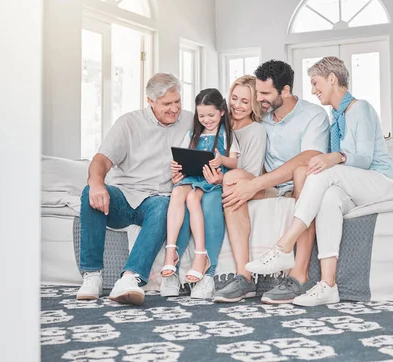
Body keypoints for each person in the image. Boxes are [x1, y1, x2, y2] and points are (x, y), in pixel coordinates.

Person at [245, 56, 393, 306]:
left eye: (316, 83)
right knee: (328, 200)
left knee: (319, 172)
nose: (313, 90)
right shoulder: (335, 116)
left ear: (332, 79)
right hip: (354, 188)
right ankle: (328, 285)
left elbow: (364, 158)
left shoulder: (360, 108)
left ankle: (284, 246)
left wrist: (334, 157)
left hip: (382, 182)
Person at [213, 60, 330, 304]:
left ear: (285, 91)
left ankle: (298, 276)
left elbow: (310, 157)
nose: (260, 97)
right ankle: (244, 276)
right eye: (258, 91)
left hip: (299, 184)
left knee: (303, 173)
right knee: (233, 179)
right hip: (272, 188)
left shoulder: (313, 115)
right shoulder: (262, 116)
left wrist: (255, 184)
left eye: (265, 93)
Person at [75, 73, 192, 306]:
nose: (174, 109)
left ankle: (130, 278)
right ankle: (92, 276)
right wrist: (96, 182)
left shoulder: (191, 121)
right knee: (90, 192)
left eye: (177, 101)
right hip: (125, 197)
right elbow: (101, 160)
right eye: (167, 104)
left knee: (162, 205)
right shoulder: (128, 123)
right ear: (150, 101)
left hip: (156, 200)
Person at [160, 76, 268, 299]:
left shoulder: (246, 132)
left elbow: (244, 170)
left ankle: (206, 268)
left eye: (245, 101)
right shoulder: (197, 131)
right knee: (179, 197)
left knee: (204, 202)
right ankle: (172, 262)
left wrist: (222, 174)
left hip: (220, 181)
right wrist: (178, 169)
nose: (238, 105)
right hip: (196, 179)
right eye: (235, 99)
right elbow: (185, 154)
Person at [161, 88, 239, 291]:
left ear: (222, 111)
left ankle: (201, 255)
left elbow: (235, 162)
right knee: (177, 193)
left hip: (210, 180)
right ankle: (171, 253)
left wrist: (222, 160)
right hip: (192, 177)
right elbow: (180, 156)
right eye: (201, 116)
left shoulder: (226, 135)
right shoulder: (193, 134)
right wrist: (176, 167)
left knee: (192, 200)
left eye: (211, 115)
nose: (206, 120)